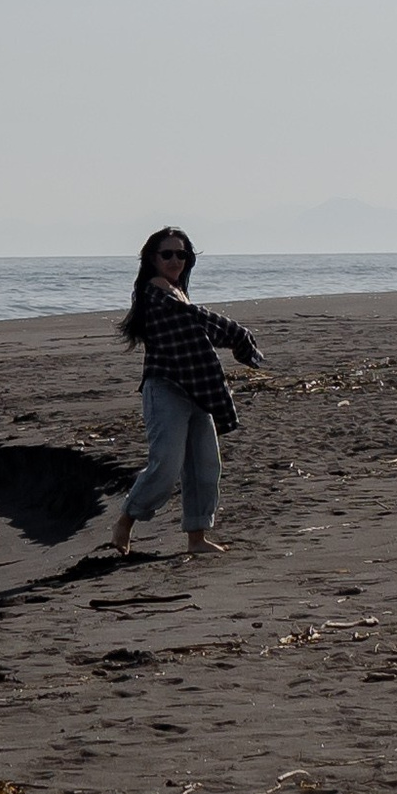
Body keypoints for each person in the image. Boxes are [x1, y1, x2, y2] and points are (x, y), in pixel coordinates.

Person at [109, 228, 264, 557]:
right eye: (167, 254)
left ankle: (197, 538)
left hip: (196, 389)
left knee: (205, 466)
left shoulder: (179, 291)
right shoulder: (153, 292)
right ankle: (126, 519)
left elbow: (196, 328)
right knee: (165, 465)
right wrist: (238, 335)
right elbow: (195, 319)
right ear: (153, 258)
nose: (175, 260)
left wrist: (234, 338)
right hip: (165, 388)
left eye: (181, 255)